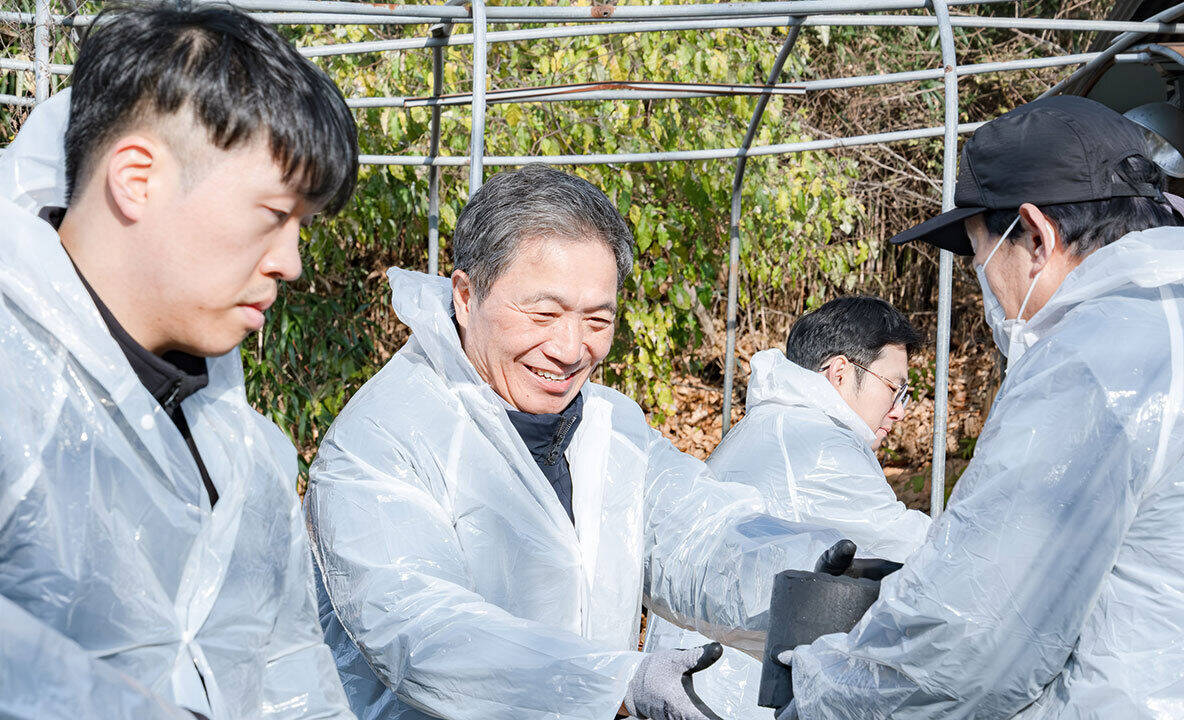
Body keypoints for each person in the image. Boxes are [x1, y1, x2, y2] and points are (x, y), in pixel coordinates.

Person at [304, 164, 852, 720]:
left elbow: (700, 537)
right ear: (467, 297)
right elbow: (417, 627)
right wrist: (612, 683)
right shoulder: (383, 437)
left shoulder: (609, 427)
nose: (570, 349)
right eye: (543, 314)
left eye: (597, 320)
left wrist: (814, 573)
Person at [0, 5, 359, 719]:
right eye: (275, 215)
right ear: (137, 178)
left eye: (303, 227)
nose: (292, 263)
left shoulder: (250, 456)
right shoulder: (1, 391)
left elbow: (292, 680)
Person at [783, 95, 1184, 718]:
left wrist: (819, 695)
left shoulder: (1090, 364)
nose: (985, 285)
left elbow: (970, 645)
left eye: (978, 257)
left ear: (1035, 235)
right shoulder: (1164, 327)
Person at [645, 296, 930, 719]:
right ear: (839, 373)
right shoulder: (819, 445)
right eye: (895, 388)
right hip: (737, 699)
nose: (902, 410)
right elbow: (916, 553)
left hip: (697, 680)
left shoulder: (770, 425)